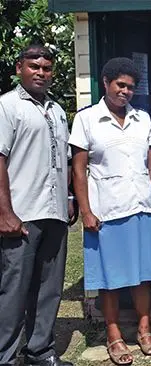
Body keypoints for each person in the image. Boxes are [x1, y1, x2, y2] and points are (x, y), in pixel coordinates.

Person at [70, 57, 151, 365]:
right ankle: (114, 335)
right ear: (106, 83)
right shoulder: (87, 119)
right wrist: (85, 210)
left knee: (142, 276)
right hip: (107, 211)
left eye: (131, 87)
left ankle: (143, 330)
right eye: (120, 85)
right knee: (110, 279)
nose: (125, 92)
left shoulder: (143, 119)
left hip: (142, 207)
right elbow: (79, 169)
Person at [0, 45, 75, 366]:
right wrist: (4, 212)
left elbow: (66, 161)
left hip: (55, 213)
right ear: (19, 68)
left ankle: (39, 350)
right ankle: (5, 355)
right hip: (22, 214)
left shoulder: (56, 110)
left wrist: (69, 199)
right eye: (34, 66)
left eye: (46, 67)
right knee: (14, 290)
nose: (41, 72)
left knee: (49, 289)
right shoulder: (7, 106)